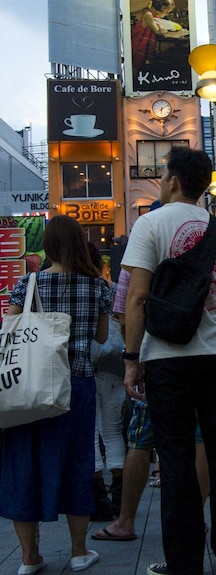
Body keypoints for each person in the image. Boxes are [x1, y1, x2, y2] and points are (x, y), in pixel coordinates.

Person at [122, 147, 216, 575]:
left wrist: (131, 359)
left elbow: (138, 297)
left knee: (175, 459)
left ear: (173, 180)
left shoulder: (149, 224)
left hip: (167, 358)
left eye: (162, 174)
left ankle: (185, 562)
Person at [1, 215, 112, 574]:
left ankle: (29, 557)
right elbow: (100, 337)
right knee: (78, 461)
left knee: (22, 463)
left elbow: (11, 332)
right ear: (80, 243)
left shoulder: (27, 283)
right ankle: (79, 551)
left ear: (47, 245)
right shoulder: (97, 287)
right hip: (75, 385)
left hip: (29, 386)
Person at [88, 243, 127, 522]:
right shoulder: (110, 289)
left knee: (89, 435)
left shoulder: (71, 289)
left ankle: (97, 499)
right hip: (114, 364)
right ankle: (121, 496)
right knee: (113, 432)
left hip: (82, 367)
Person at [130, 0, 174, 67]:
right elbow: (158, 32)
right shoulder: (148, 15)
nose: (167, 14)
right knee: (137, 65)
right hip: (138, 45)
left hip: (143, 45)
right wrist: (164, 30)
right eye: (167, 12)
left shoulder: (152, 15)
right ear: (162, 8)